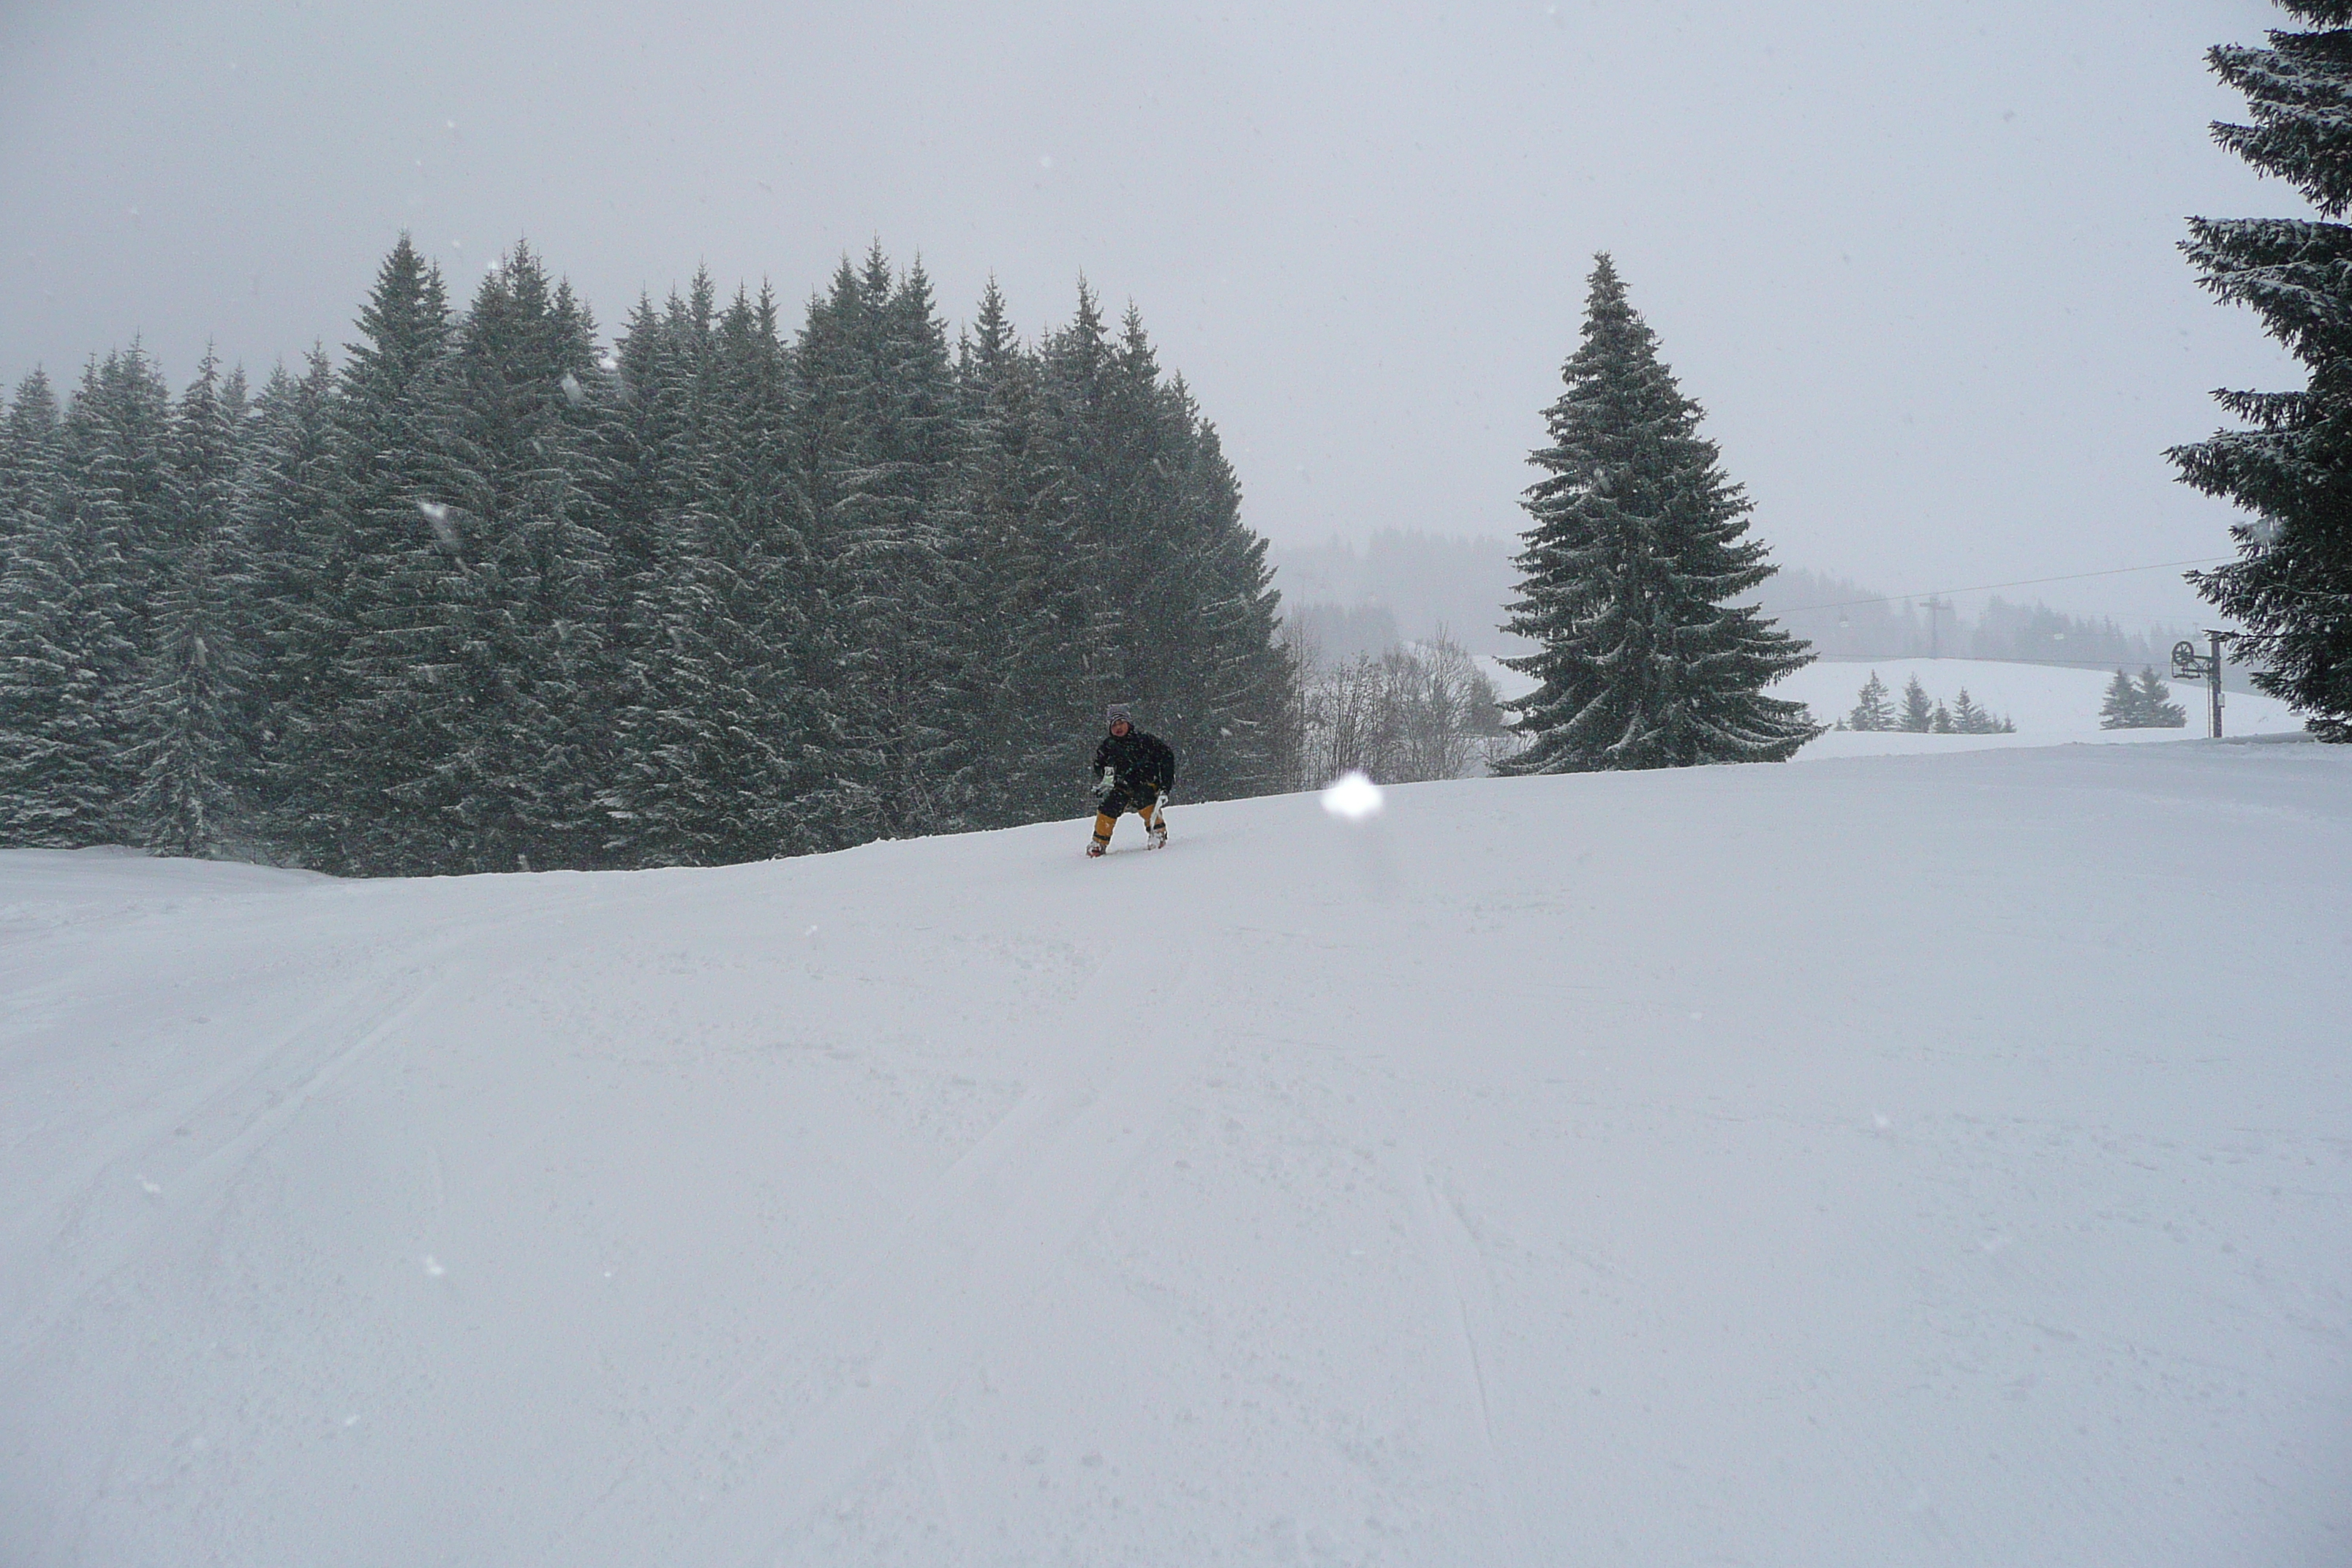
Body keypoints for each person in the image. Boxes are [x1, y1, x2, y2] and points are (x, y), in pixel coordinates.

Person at [1088, 704, 1175, 856]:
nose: (1118, 727)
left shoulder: (1144, 741)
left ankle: (1158, 832)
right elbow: (1100, 767)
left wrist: (1165, 785)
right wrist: (1106, 781)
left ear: (1129, 723)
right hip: (1122, 786)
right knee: (1109, 806)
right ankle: (1099, 842)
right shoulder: (1108, 747)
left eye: (1121, 723)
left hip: (1146, 783)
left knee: (1145, 799)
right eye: (1114, 724)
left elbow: (1166, 757)